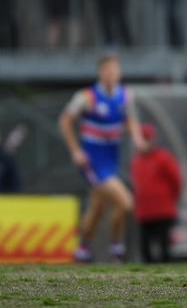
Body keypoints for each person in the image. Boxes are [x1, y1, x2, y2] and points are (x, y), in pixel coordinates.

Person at [58, 54, 145, 263]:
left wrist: (137, 139)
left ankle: (83, 249)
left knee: (97, 208)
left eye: (115, 70)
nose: (111, 75)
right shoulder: (86, 97)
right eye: (107, 70)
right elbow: (65, 121)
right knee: (125, 202)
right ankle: (117, 248)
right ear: (101, 72)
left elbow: (130, 120)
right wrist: (75, 150)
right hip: (93, 162)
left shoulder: (125, 96)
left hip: (111, 160)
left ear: (119, 73)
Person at [130, 123, 182, 263]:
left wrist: (172, 201)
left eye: (147, 138)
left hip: (163, 212)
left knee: (164, 247)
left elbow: (176, 180)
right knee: (145, 248)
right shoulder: (136, 161)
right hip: (144, 213)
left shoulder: (164, 158)